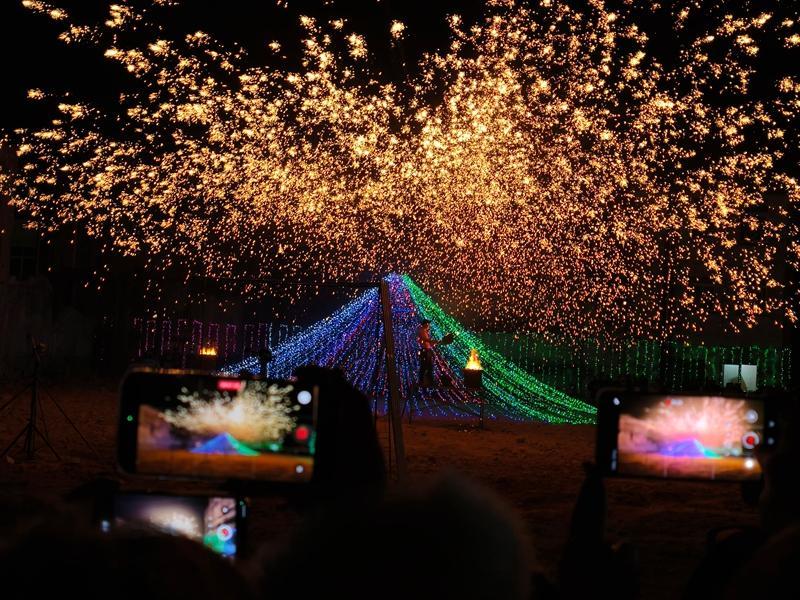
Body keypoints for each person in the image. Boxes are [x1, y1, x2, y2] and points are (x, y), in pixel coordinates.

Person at [417, 319, 441, 388]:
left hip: (427, 350)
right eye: (427, 324)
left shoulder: (425, 331)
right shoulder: (422, 330)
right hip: (425, 351)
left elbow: (427, 342)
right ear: (425, 324)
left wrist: (434, 343)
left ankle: (429, 381)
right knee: (425, 366)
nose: (429, 325)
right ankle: (424, 381)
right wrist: (434, 341)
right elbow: (425, 340)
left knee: (429, 366)